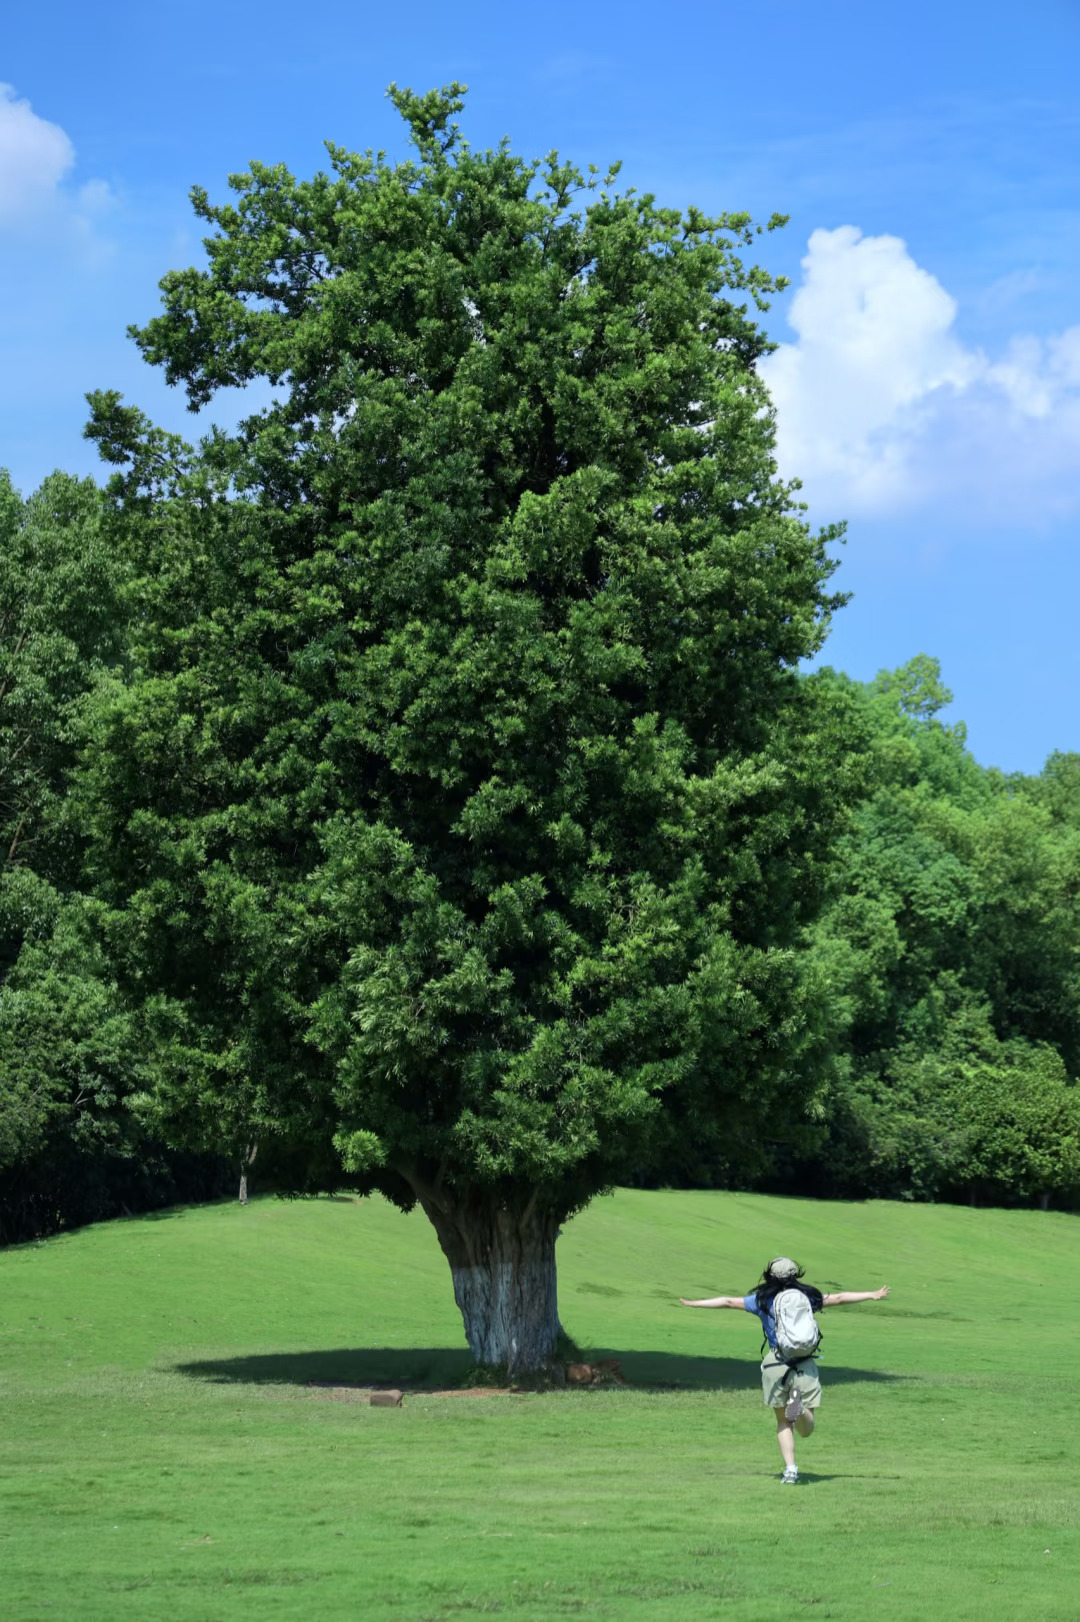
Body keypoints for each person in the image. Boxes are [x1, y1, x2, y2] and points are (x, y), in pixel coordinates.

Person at [679, 1256, 890, 1484]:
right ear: (794, 1275)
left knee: (783, 1423)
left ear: (769, 1275)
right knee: (806, 1429)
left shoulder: (762, 1299)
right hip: (804, 1364)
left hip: (776, 1364)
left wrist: (696, 1303)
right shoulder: (807, 1296)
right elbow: (839, 1298)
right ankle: (799, 1408)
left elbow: (728, 1301)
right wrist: (871, 1294)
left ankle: (790, 1470)